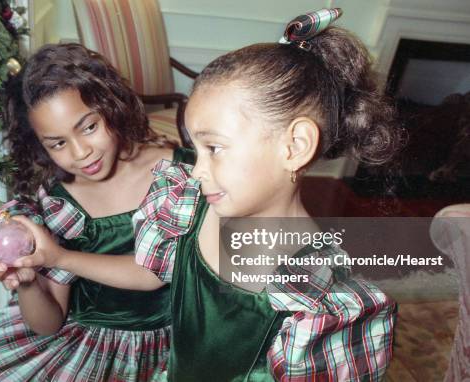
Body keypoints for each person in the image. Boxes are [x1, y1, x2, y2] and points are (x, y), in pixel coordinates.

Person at [132, 9, 400, 381]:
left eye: (214, 147)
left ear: (294, 146)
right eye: (195, 149)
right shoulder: (189, 207)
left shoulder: (318, 303)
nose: (196, 170)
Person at [0, 43, 194, 381]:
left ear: (112, 107)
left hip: (179, 343)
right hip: (89, 344)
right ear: (40, 146)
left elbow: (154, 271)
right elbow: (47, 324)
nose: (80, 153)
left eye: (89, 127)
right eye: (58, 143)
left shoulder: (178, 174)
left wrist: (59, 257)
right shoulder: (58, 200)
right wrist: (27, 278)